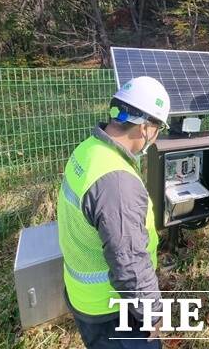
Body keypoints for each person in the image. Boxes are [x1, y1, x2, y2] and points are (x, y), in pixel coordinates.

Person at [57, 76, 170, 349]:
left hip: (83, 297)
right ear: (145, 128)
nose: (155, 139)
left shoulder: (88, 150)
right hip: (113, 311)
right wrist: (153, 315)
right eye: (158, 130)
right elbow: (128, 262)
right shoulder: (116, 183)